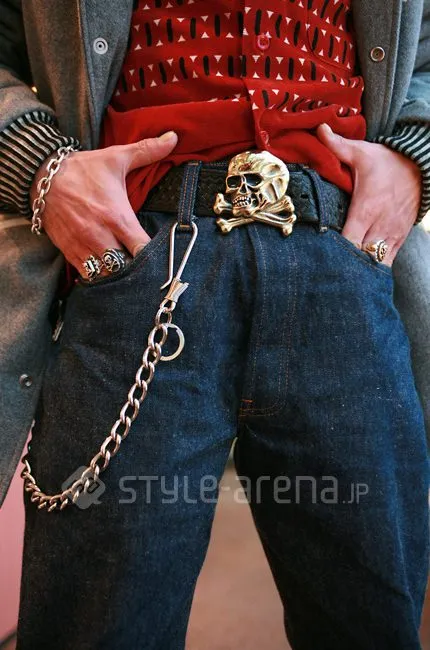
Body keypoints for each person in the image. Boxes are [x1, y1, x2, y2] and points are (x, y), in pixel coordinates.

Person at [0, 1, 429, 649]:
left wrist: (415, 158)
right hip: (138, 256)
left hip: (344, 254)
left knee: (372, 625)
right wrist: (41, 167)